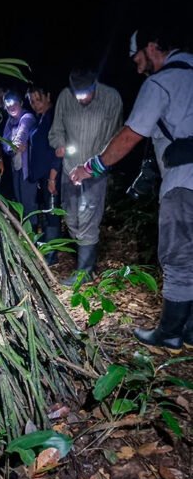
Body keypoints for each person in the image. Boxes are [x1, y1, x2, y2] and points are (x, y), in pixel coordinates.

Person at [69, 24, 193, 354]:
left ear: (153, 46)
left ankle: (169, 333)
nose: (135, 63)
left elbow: (129, 136)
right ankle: (190, 328)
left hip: (185, 183)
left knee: (179, 256)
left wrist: (90, 167)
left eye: (136, 55)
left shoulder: (161, 82)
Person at [48, 66, 123, 284]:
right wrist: (59, 144)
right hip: (69, 169)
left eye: (85, 94)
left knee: (88, 219)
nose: (81, 99)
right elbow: (56, 130)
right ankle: (87, 261)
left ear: (95, 85)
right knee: (71, 218)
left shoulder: (111, 98)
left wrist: (101, 163)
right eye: (77, 95)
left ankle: (84, 271)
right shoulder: (64, 97)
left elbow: (117, 136)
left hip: (95, 172)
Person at [26, 83, 63, 265]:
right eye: (31, 101)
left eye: (38, 99)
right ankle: (48, 247)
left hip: (52, 176)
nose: (35, 104)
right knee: (46, 212)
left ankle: (52, 254)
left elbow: (57, 150)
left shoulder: (53, 118)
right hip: (42, 177)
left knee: (52, 213)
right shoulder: (41, 118)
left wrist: (52, 178)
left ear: (48, 96)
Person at [1, 89, 38, 229]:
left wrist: (14, 146)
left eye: (14, 103)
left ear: (21, 103)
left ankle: (32, 234)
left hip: (27, 169)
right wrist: (13, 148)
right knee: (19, 202)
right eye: (7, 104)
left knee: (29, 203)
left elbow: (21, 135)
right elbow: (5, 144)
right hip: (16, 167)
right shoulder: (10, 122)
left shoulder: (27, 117)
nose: (11, 107)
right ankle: (24, 232)